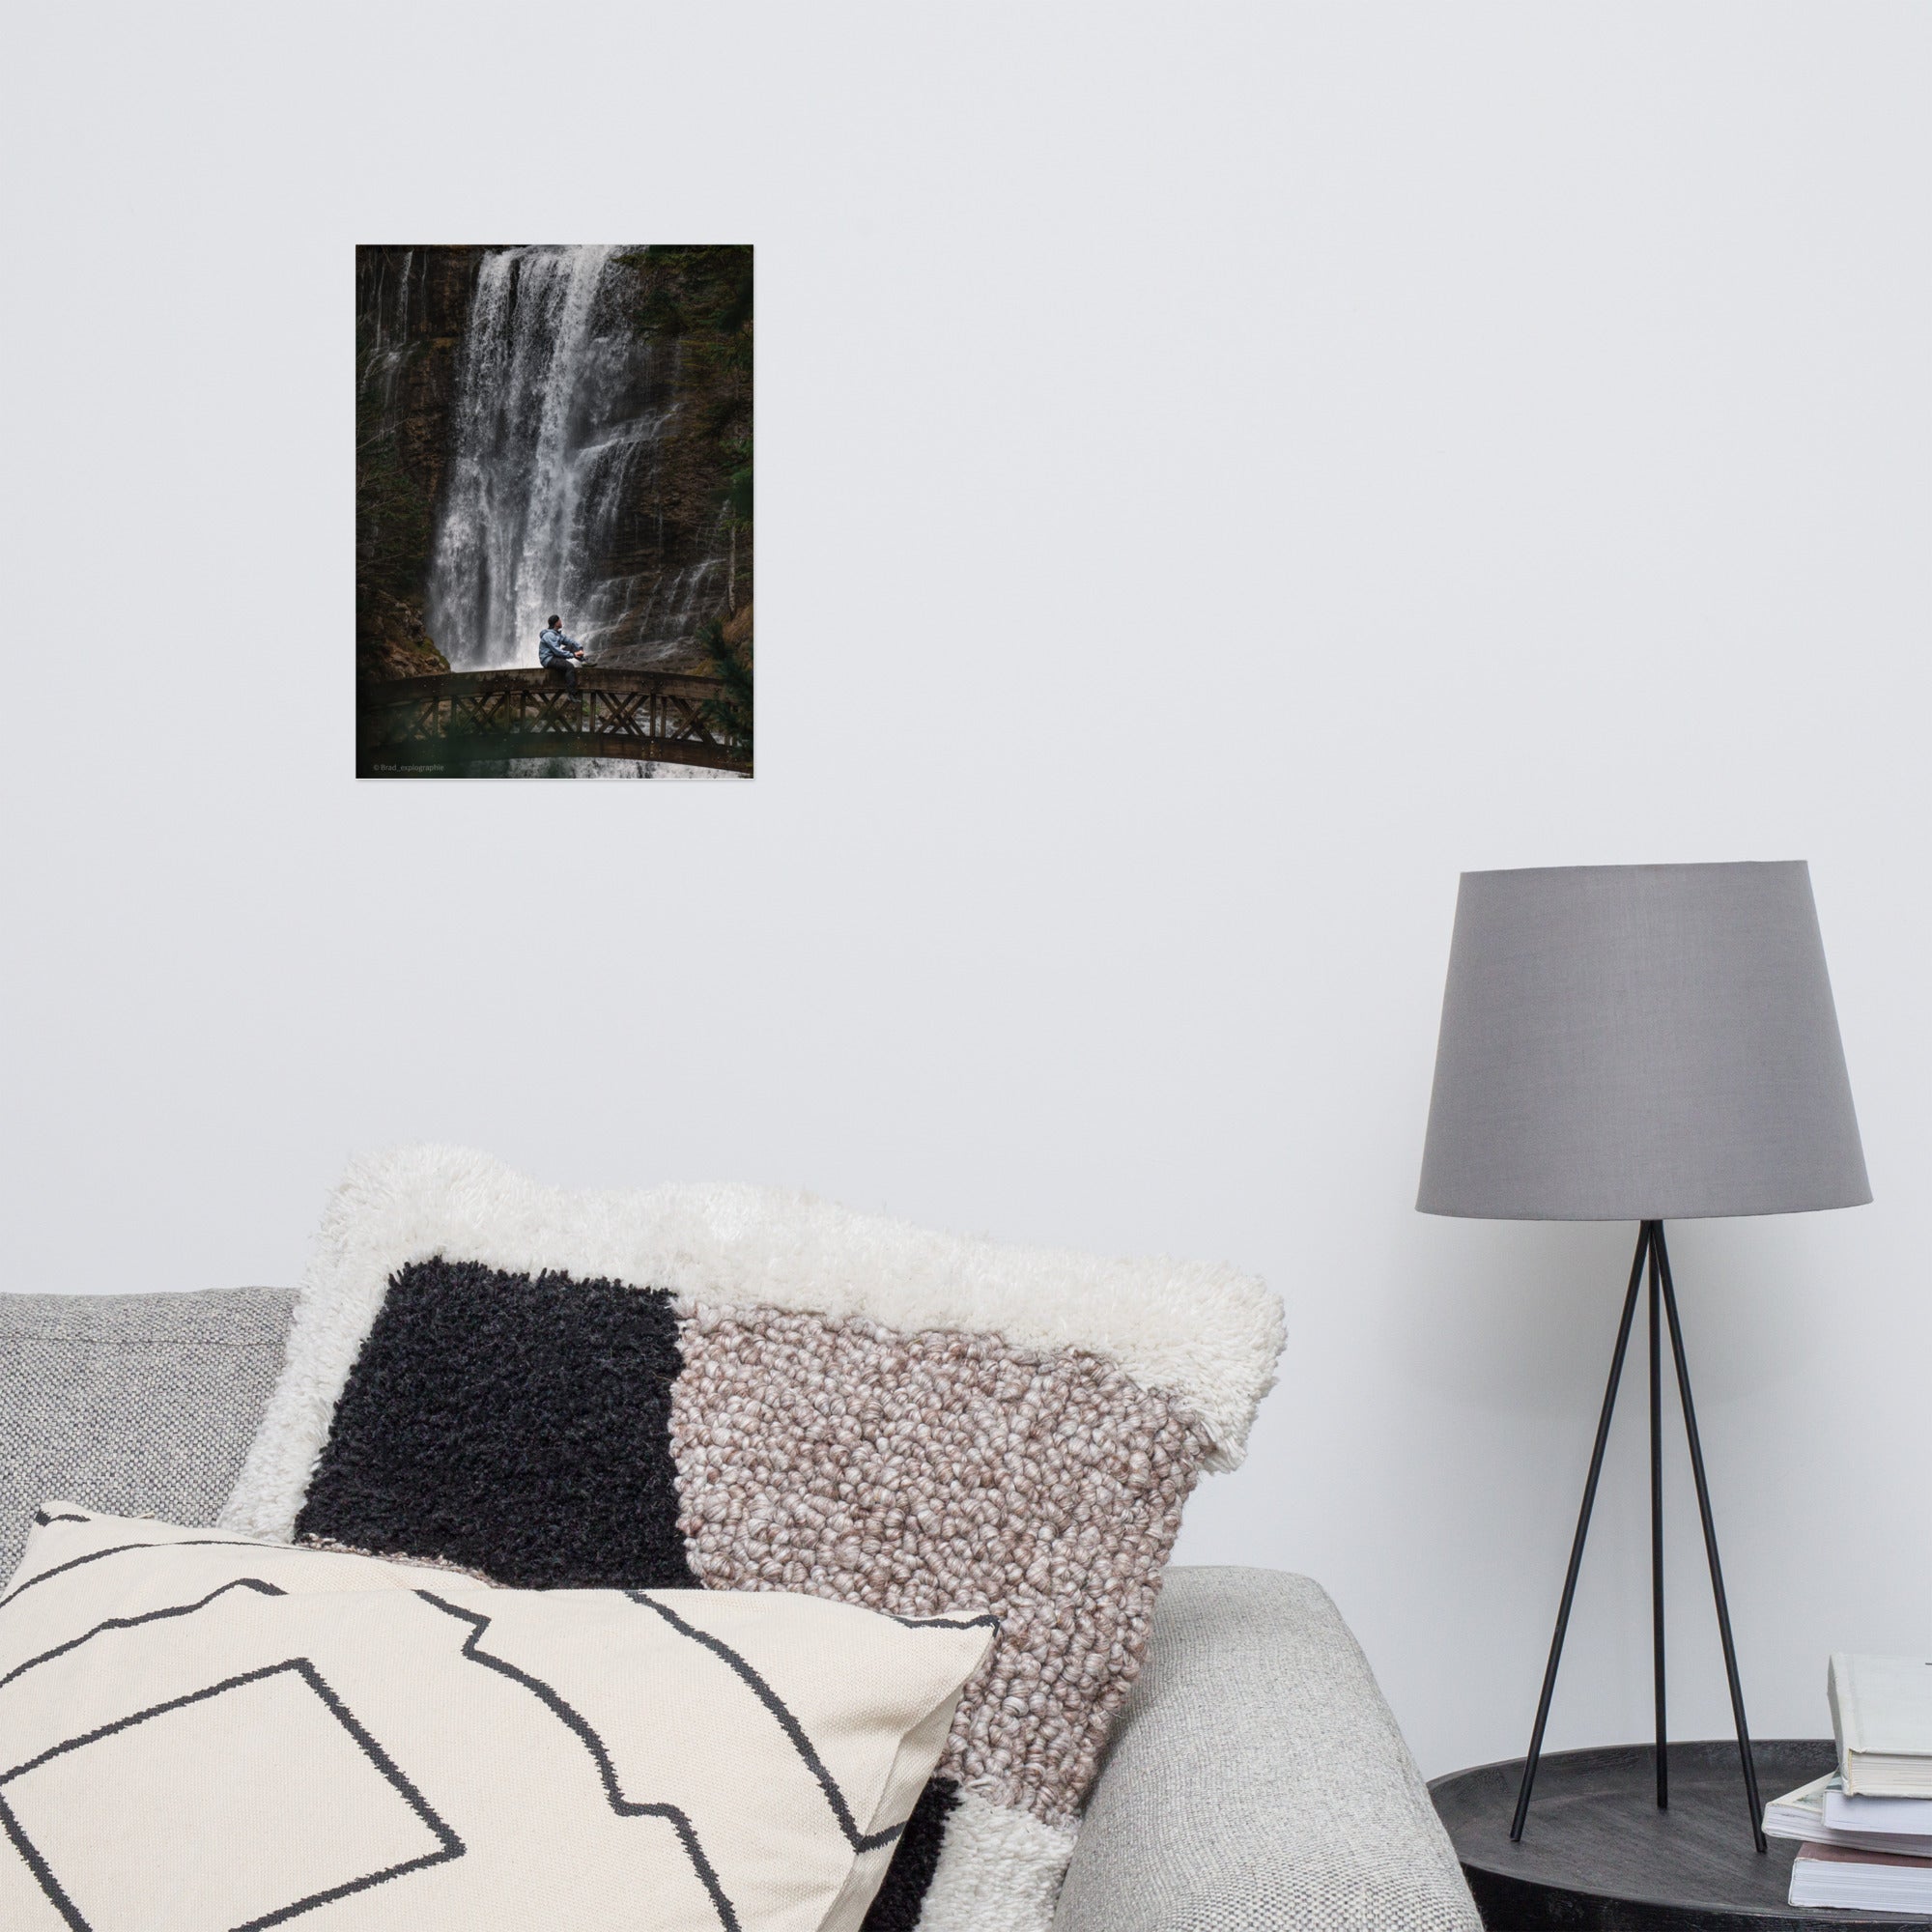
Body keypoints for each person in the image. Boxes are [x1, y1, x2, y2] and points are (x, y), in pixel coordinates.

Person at [538, 615, 588, 692]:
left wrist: (580, 648)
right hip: (548, 659)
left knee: (571, 646)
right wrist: (573, 655)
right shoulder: (549, 635)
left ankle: (584, 661)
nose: (561, 622)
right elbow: (557, 651)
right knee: (570, 666)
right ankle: (571, 692)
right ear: (556, 623)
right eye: (560, 621)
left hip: (554, 657)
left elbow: (570, 641)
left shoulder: (558, 634)